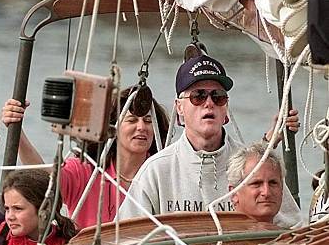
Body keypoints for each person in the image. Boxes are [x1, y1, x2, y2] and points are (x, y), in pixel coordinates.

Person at [118, 54, 302, 228]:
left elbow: (293, 228)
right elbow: (122, 239)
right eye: (198, 96)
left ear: (226, 108)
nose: (209, 103)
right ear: (179, 107)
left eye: (218, 97)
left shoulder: (255, 167)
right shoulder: (156, 170)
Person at [1, 86, 170, 229]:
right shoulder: (85, 169)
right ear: (112, 128)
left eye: (148, 121)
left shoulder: (164, 172)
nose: (141, 127)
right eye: (132, 120)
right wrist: (17, 130)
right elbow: (41, 178)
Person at [227, 142, 284, 223]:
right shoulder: (220, 233)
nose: (266, 192)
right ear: (234, 193)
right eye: (256, 183)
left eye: (273, 183)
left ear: (282, 190)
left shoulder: (294, 234)